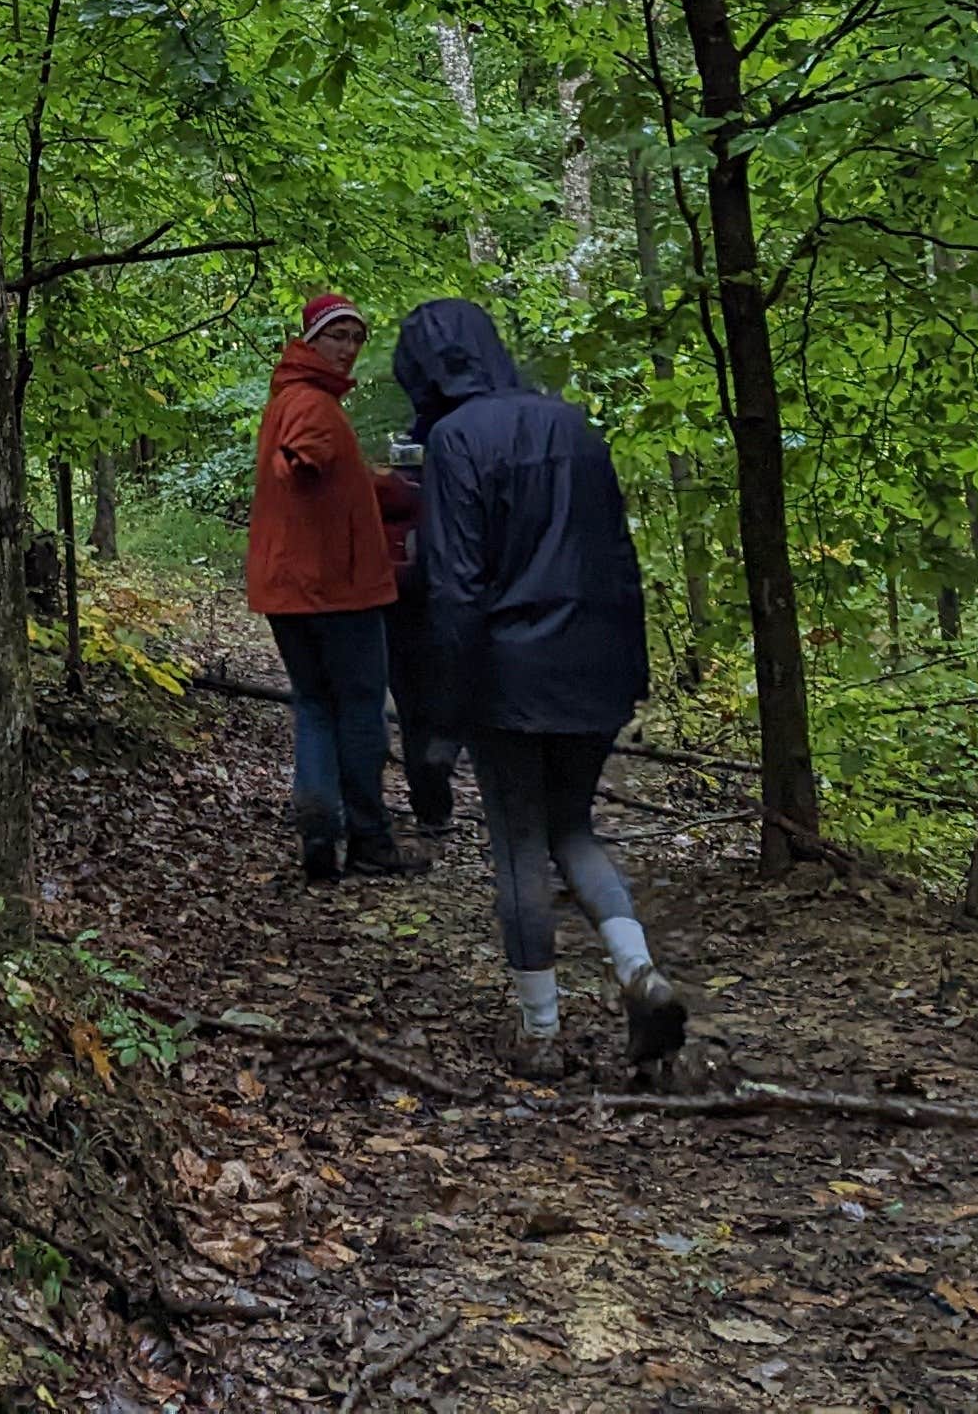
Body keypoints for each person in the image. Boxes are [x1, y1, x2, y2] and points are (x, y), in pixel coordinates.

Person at [395, 295, 688, 1074]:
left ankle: (540, 1032)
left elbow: (455, 587)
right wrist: (633, 669)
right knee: (575, 830)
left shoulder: (456, 440)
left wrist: (441, 712)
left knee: (521, 842)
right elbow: (619, 559)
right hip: (594, 665)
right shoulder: (574, 426)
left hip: (508, 673)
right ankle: (637, 972)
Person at [244, 292, 418, 881]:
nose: (346, 348)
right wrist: (306, 463)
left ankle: (320, 832)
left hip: (290, 589)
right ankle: (369, 838)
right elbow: (301, 463)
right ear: (311, 339)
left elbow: (322, 481)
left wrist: (377, 485)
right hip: (335, 590)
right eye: (337, 335)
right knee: (360, 708)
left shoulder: (287, 399)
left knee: (316, 706)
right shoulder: (311, 404)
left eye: (354, 338)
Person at [375, 437, 460, 835]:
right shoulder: (441, 503)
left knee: (410, 714)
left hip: (390, 615)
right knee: (445, 701)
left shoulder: (378, 504)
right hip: (436, 614)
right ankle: (438, 786)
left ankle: (427, 808)